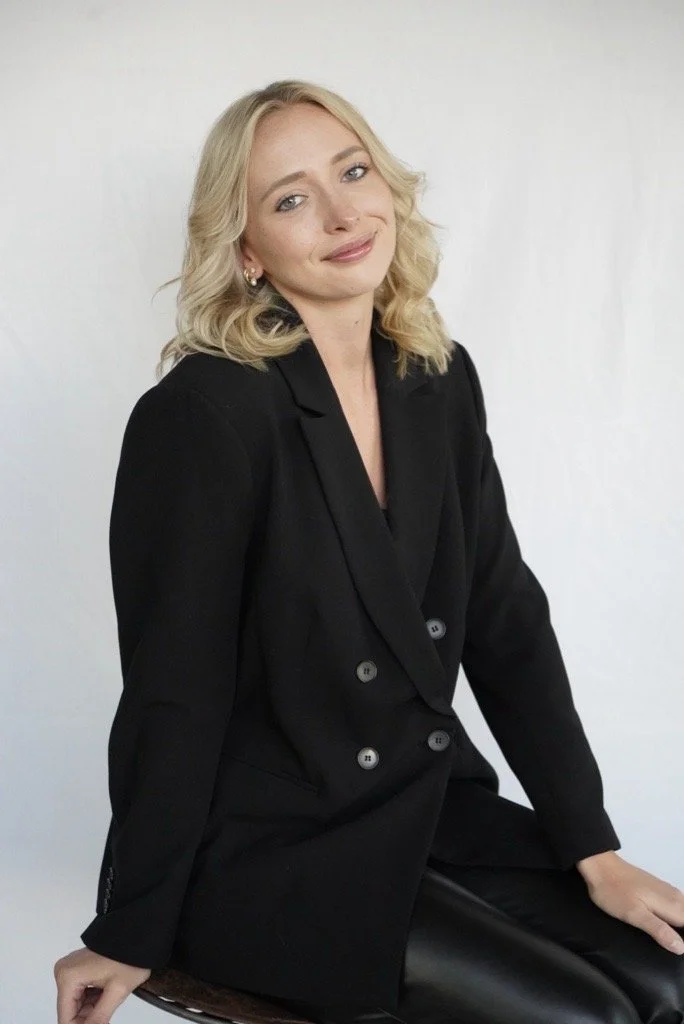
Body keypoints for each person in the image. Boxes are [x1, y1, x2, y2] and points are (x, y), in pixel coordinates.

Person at [54, 79, 684, 1024]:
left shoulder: (435, 375)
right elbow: (173, 690)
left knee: (671, 980)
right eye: (291, 199)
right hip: (273, 849)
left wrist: (591, 845)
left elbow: (505, 616)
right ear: (246, 250)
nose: (343, 214)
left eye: (353, 173)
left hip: (422, 805)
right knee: (589, 1017)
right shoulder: (204, 414)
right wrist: (131, 923)